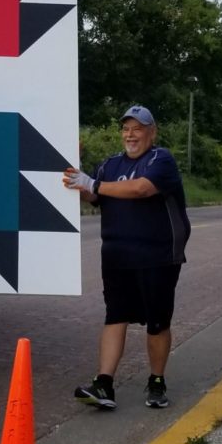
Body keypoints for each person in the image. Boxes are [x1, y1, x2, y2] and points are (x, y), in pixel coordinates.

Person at [63, 105, 190, 410]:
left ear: (152, 132)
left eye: (138, 128)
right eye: (126, 129)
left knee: (157, 322)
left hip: (157, 255)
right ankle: (104, 384)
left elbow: (141, 189)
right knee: (115, 316)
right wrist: (77, 177)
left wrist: (92, 184)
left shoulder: (162, 159)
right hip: (117, 255)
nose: (130, 135)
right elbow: (95, 195)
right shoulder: (109, 165)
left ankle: (156, 381)